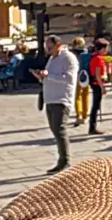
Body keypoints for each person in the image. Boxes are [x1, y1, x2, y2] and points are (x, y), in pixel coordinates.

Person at [30, 35, 78, 175]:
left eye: (49, 47)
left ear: (58, 45)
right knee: (54, 129)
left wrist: (48, 75)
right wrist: (41, 77)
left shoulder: (68, 58)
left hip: (61, 98)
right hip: (50, 98)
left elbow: (68, 78)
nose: (48, 50)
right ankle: (61, 159)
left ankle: (65, 160)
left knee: (59, 129)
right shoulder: (52, 58)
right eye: (46, 47)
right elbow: (49, 76)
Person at [88, 38, 110, 136]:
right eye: (105, 49)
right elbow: (97, 74)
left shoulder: (94, 57)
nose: (106, 51)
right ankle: (92, 127)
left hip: (94, 83)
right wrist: (103, 87)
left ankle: (92, 126)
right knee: (95, 106)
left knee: (96, 106)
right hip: (97, 84)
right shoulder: (98, 59)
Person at [70, 37, 90, 125]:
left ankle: (79, 115)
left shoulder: (72, 53)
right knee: (86, 95)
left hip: (76, 75)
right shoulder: (86, 52)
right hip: (86, 75)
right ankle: (85, 116)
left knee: (78, 96)